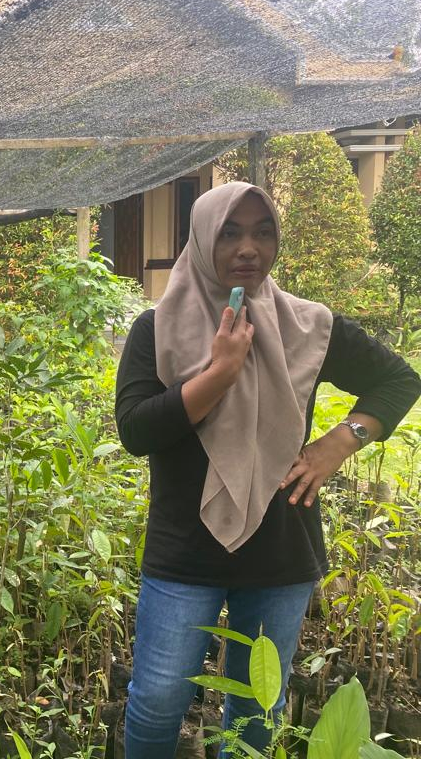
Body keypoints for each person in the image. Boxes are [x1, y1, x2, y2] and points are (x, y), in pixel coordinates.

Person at [114, 181, 421, 757]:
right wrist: (219, 374)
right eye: (230, 232)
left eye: (262, 232)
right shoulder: (156, 328)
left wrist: (337, 444)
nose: (248, 248)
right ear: (202, 239)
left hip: (280, 548)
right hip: (184, 551)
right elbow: (136, 430)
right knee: (157, 699)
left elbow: (398, 380)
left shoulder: (308, 326)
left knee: (257, 711)